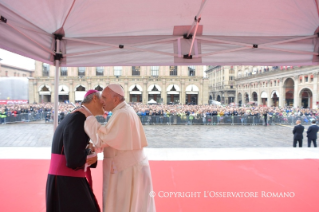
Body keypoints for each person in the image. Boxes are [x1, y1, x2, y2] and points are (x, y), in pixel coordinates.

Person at [76, 84, 156, 212]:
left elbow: (103, 138)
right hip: (128, 166)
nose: (102, 101)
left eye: (105, 98)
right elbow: (112, 139)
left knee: (123, 206)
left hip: (126, 169)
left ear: (115, 99)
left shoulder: (123, 113)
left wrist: (89, 117)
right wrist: (95, 147)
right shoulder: (123, 111)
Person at [46, 90, 103, 212]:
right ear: (94, 98)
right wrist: (90, 155)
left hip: (67, 179)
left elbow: (72, 149)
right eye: (102, 99)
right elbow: (73, 159)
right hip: (66, 182)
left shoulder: (78, 116)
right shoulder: (78, 118)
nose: (104, 103)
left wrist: (89, 152)